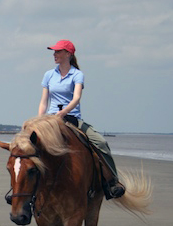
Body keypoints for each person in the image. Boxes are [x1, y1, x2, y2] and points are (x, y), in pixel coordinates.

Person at [38, 39, 125, 199]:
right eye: (54, 51)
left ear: (68, 54)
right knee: (29, 146)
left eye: (58, 51)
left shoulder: (77, 74)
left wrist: (63, 113)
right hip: (50, 120)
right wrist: (39, 120)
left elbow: (76, 98)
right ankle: (25, 192)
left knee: (101, 143)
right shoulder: (49, 75)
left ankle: (112, 182)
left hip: (72, 118)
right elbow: (43, 101)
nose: (54, 54)